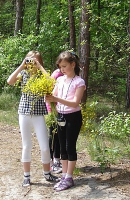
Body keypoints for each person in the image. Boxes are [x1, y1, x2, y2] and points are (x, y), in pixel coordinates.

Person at [7, 51, 59, 187]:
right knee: (26, 145)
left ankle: (47, 173)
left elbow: (52, 83)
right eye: (30, 60)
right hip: (24, 113)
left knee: (45, 146)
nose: (32, 63)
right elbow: (10, 81)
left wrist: (40, 67)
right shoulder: (23, 74)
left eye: (35, 60)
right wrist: (21, 66)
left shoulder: (42, 76)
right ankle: (26, 176)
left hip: (38, 114)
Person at [45, 51, 86, 192]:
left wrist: (56, 100)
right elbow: (54, 94)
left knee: (70, 147)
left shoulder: (79, 82)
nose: (62, 69)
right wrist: (47, 94)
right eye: (60, 67)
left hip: (73, 117)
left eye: (64, 66)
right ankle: (64, 176)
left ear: (73, 65)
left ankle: (69, 177)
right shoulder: (60, 80)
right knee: (61, 147)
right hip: (60, 116)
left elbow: (75, 103)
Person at [47, 68, 63, 174]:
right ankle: (50, 161)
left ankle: (56, 159)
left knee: (58, 135)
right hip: (53, 109)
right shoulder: (57, 74)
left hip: (62, 108)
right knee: (52, 135)